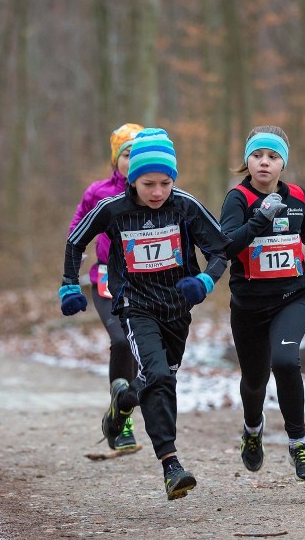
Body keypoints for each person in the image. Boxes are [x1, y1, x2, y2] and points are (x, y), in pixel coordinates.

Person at [60, 128, 230, 500]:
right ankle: (171, 465)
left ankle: (122, 403)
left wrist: (205, 281)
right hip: (135, 306)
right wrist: (70, 284)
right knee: (157, 376)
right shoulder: (112, 209)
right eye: (148, 183)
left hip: (176, 309)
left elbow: (221, 249)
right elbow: (76, 240)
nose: (157, 192)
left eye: (165, 183)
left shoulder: (184, 205)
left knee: (162, 376)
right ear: (131, 180)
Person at [218, 125, 305, 482]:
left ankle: (299, 445)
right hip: (249, 307)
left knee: (285, 360)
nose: (264, 163)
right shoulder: (237, 198)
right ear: (247, 161)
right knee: (254, 381)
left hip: (292, 296)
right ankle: (253, 431)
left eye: (272, 157)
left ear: (283, 163)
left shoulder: (298, 195)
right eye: (257, 156)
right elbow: (227, 245)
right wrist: (259, 219)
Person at [67, 122, 143, 450]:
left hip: (144, 282)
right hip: (105, 280)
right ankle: (123, 425)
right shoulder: (98, 193)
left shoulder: (156, 191)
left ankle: (119, 410)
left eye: (138, 154)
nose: (132, 160)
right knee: (121, 341)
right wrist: (69, 278)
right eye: (127, 154)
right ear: (116, 160)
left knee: (143, 355)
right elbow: (75, 231)